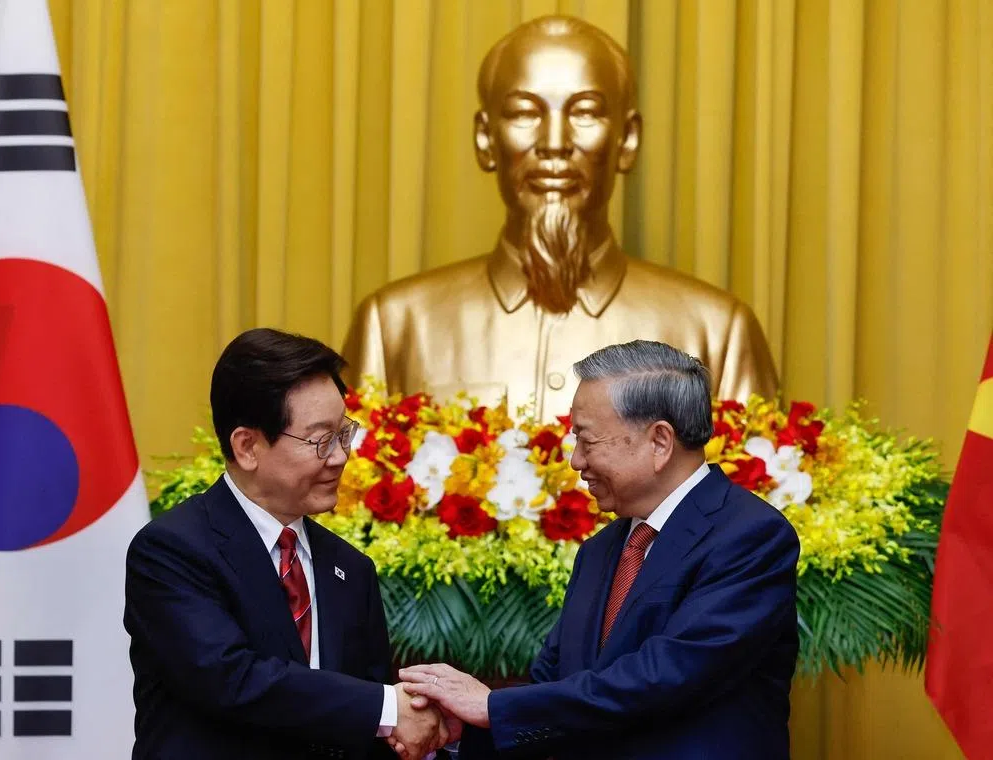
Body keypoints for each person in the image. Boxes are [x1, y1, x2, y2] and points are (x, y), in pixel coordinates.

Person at [341, 15, 778, 423]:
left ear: (627, 139)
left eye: (585, 112)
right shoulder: (395, 326)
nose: (554, 142)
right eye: (525, 113)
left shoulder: (717, 332)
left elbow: (746, 499)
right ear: (485, 139)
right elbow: (344, 493)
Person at [400, 340, 800, 759]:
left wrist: (491, 706)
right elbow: (554, 689)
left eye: (587, 441)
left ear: (660, 441)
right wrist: (463, 728)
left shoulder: (750, 537)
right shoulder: (601, 550)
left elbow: (666, 675)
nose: (574, 461)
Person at [124, 328, 448, 759]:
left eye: (343, 433)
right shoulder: (172, 551)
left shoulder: (350, 568)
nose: (339, 457)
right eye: (320, 440)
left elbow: (365, 730)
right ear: (247, 447)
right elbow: (233, 678)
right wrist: (389, 707)